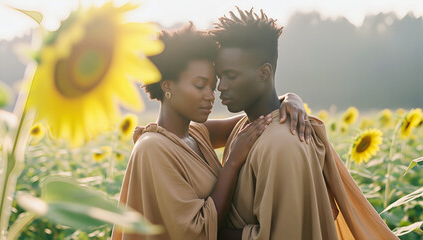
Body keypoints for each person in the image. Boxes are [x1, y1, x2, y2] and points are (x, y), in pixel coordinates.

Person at [212, 8, 399, 240]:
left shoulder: (284, 142)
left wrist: (210, 233)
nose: (221, 86)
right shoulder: (246, 129)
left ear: (264, 73)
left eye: (231, 75)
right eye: (220, 76)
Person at [111, 24, 309, 240]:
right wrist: (232, 162)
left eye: (212, 87)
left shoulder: (195, 134)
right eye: (199, 85)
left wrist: (290, 99)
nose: (211, 95)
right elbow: (195, 232)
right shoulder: (152, 148)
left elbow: (256, 120)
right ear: (168, 86)